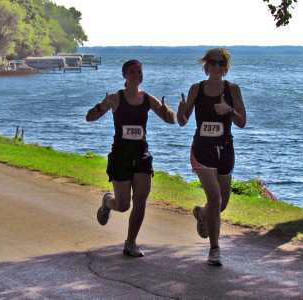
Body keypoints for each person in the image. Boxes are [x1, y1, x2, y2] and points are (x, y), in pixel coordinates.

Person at [86, 59, 176, 257]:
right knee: (123, 205)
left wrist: (166, 109)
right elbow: (89, 117)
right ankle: (108, 202)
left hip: (141, 154)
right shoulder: (115, 98)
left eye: (140, 72)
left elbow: (171, 120)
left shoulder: (147, 99)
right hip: (121, 156)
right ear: (125, 75)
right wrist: (101, 107)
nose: (137, 75)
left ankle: (130, 242)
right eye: (133, 72)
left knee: (141, 198)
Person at [177, 48, 246, 265]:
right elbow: (182, 120)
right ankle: (214, 250)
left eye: (221, 63)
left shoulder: (233, 90)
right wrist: (181, 110)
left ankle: (202, 214)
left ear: (225, 68)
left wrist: (229, 111)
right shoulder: (196, 89)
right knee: (215, 198)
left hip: (225, 149)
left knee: (221, 204)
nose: (217, 66)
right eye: (212, 62)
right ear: (205, 67)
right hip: (202, 150)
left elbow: (242, 121)